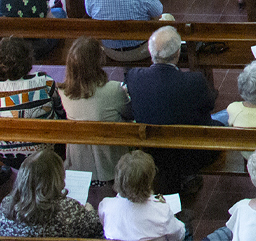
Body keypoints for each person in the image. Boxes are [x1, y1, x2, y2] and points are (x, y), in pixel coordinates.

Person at [124, 26, 218, 192]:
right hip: (191, 153)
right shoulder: (194, 81)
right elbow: (209, 105)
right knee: (223, 118)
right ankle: (188, 175)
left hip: (152, 151)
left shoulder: (134, 77)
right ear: (177, 54)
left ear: (150, 52)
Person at [59, 37, 131, 183]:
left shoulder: (63, 92)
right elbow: (129, 113)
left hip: (80, 160)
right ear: (98, 61)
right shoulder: (113, 90)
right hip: (111, 158)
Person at [0, 149, 102, 238]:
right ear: (57, 178)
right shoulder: (69, 209)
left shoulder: (6, 206)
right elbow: (98, 229)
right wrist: (90, 211)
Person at [0, 37, 65, 169]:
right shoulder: (44, 81)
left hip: (7, 156)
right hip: (47, 151)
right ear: (28, 59)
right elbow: (60, 111)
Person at [98, 150, 186, 241]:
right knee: (187, 227)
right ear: (149, 181)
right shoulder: (162, 211)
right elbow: (178, 236)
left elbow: (104, 224)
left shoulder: (106, 206)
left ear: (118, 179)